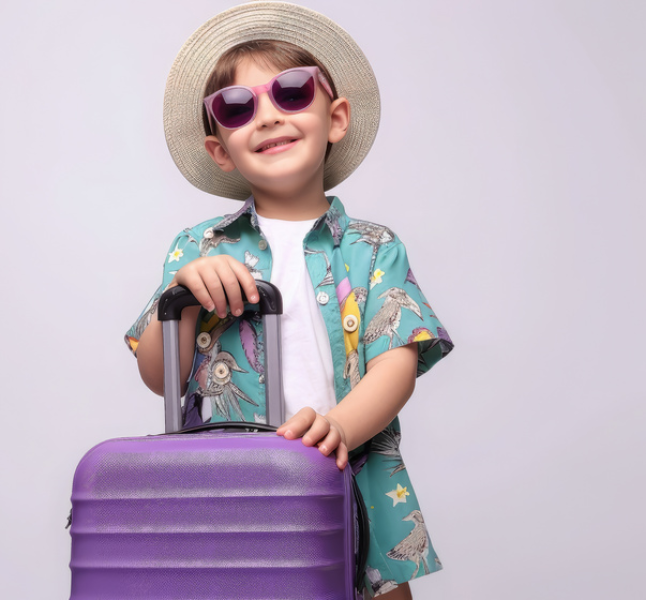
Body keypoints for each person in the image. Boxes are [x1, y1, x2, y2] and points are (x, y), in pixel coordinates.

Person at [124, 3, 454, 598]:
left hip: (352, 472)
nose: (269, 117)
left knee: (377, 591)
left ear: (336, 118)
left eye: (293, 93)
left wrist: (338, 429)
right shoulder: (199, 247)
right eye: (237, 108)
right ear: (221, 149)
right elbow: (159, 376)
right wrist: (185, 296)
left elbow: (397, 366)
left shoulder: (373, 249)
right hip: (233, 488)